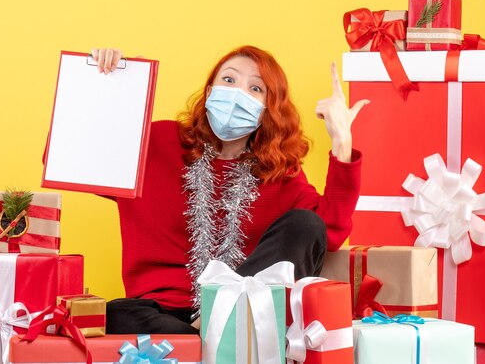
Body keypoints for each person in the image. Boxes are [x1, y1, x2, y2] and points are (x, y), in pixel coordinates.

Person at [88, 46, 369, 334]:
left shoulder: (279, 173)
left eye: (255, 88)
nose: (238, 94)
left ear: (266, 110)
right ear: (210, 92)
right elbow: (71, 161)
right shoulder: (157, 143)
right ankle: (204, 339)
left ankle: (210, 324)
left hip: (242, 314)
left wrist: (342, 142)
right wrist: (105, 87)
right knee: (112, 315)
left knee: (305, 224)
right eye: (229, 80)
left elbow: (328, 230)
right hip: (161, 312)